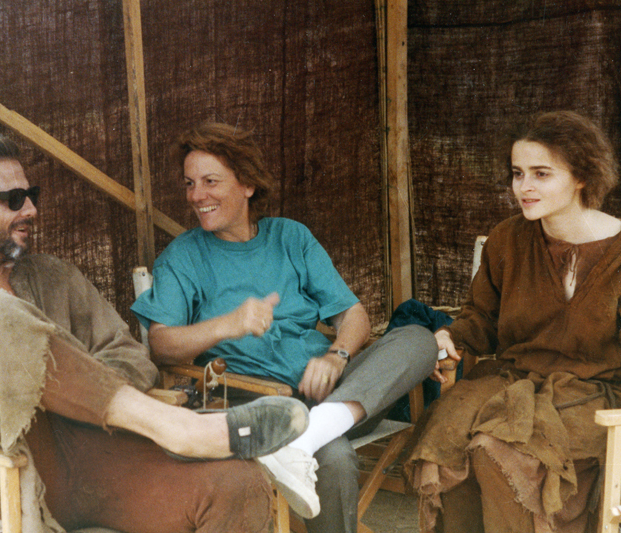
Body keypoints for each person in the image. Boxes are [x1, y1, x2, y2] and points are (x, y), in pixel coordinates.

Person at [0, 134, 311, 533]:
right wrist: (1, 398)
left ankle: (182, 431)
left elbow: (131, 356)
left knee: (237, 484)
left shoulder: (55, 276)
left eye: (31, 194)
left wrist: (73, 388)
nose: (32, 209)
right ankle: (180, 430)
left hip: (92, 447)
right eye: (14, 198)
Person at [131, 122, 438, 532]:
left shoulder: (290, 237)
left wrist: (336, 355)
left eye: (210, 181)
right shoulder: (184, 257)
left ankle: (308, 436)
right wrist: (230, 323)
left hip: (336, 393)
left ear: (247, 185)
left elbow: (353, 315)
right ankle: (309, 439)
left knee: (418, 338)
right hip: (257, 406)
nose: (196, 196)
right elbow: (160, 344)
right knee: (336, 457)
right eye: (190, 183)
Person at [404, 110, 621, 533]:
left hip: (593, 396)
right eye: (517, 173)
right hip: (513, 384)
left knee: (493, 450)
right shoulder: (507, 239)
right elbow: (482, 318)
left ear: (581, 175)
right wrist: (450, 335)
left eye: (541, 174)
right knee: (451, 443)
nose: (524, 187)